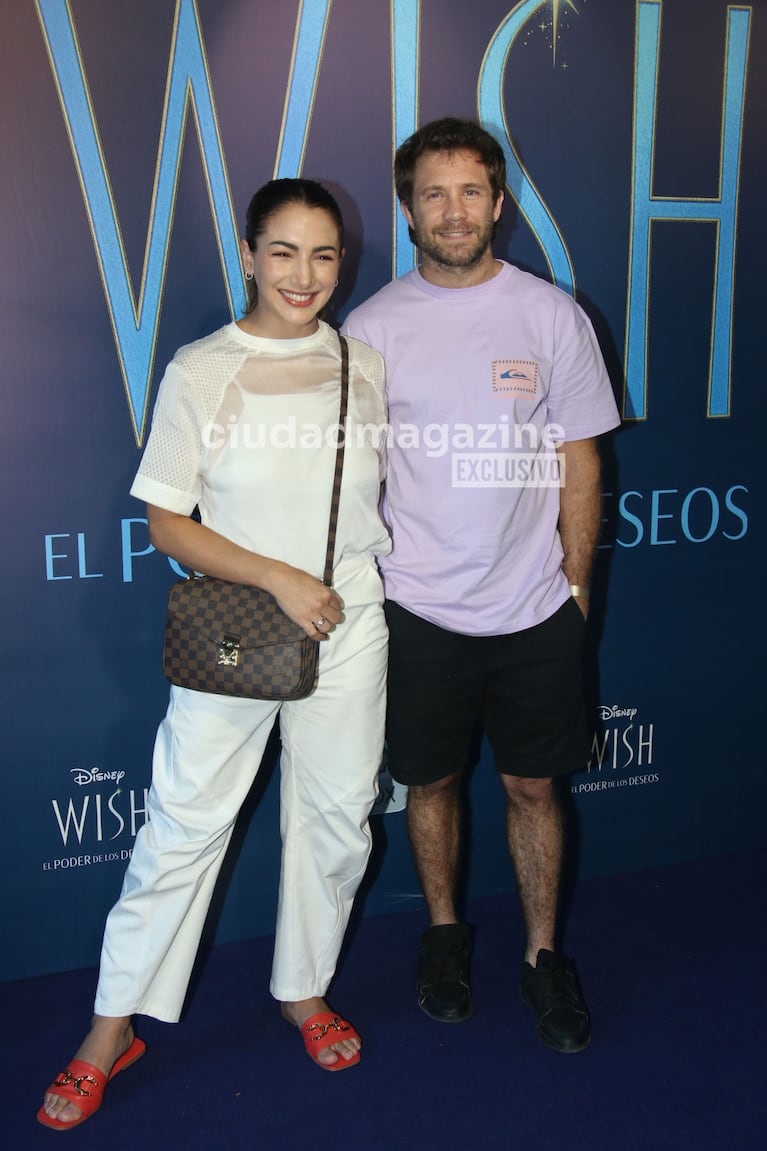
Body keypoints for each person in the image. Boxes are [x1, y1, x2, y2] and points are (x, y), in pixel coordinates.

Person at [38, 178, 391, 1130]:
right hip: (239, 622)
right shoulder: (203, 366)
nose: (304, 274)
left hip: (352, 620)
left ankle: (303, 990)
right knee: (182, 826)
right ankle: (109, 1031)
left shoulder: (366, 364)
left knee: (335, 817)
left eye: (324, 255)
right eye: (283, 251)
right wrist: (279, 578)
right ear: (248, 254)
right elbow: (165, 520)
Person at [343, 117, 620, 1053]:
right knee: (428, 784)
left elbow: (580, 462)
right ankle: (444, 935)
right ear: (409, 209)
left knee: (535, 787)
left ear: (498, 204)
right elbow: (354, 477)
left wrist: (576, 588)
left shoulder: (551, 316)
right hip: (415, 606)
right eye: (433, 193)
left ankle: (544, 957)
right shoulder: (370, 329)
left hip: (535, 606)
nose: (453, 211)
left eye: (470, 191)